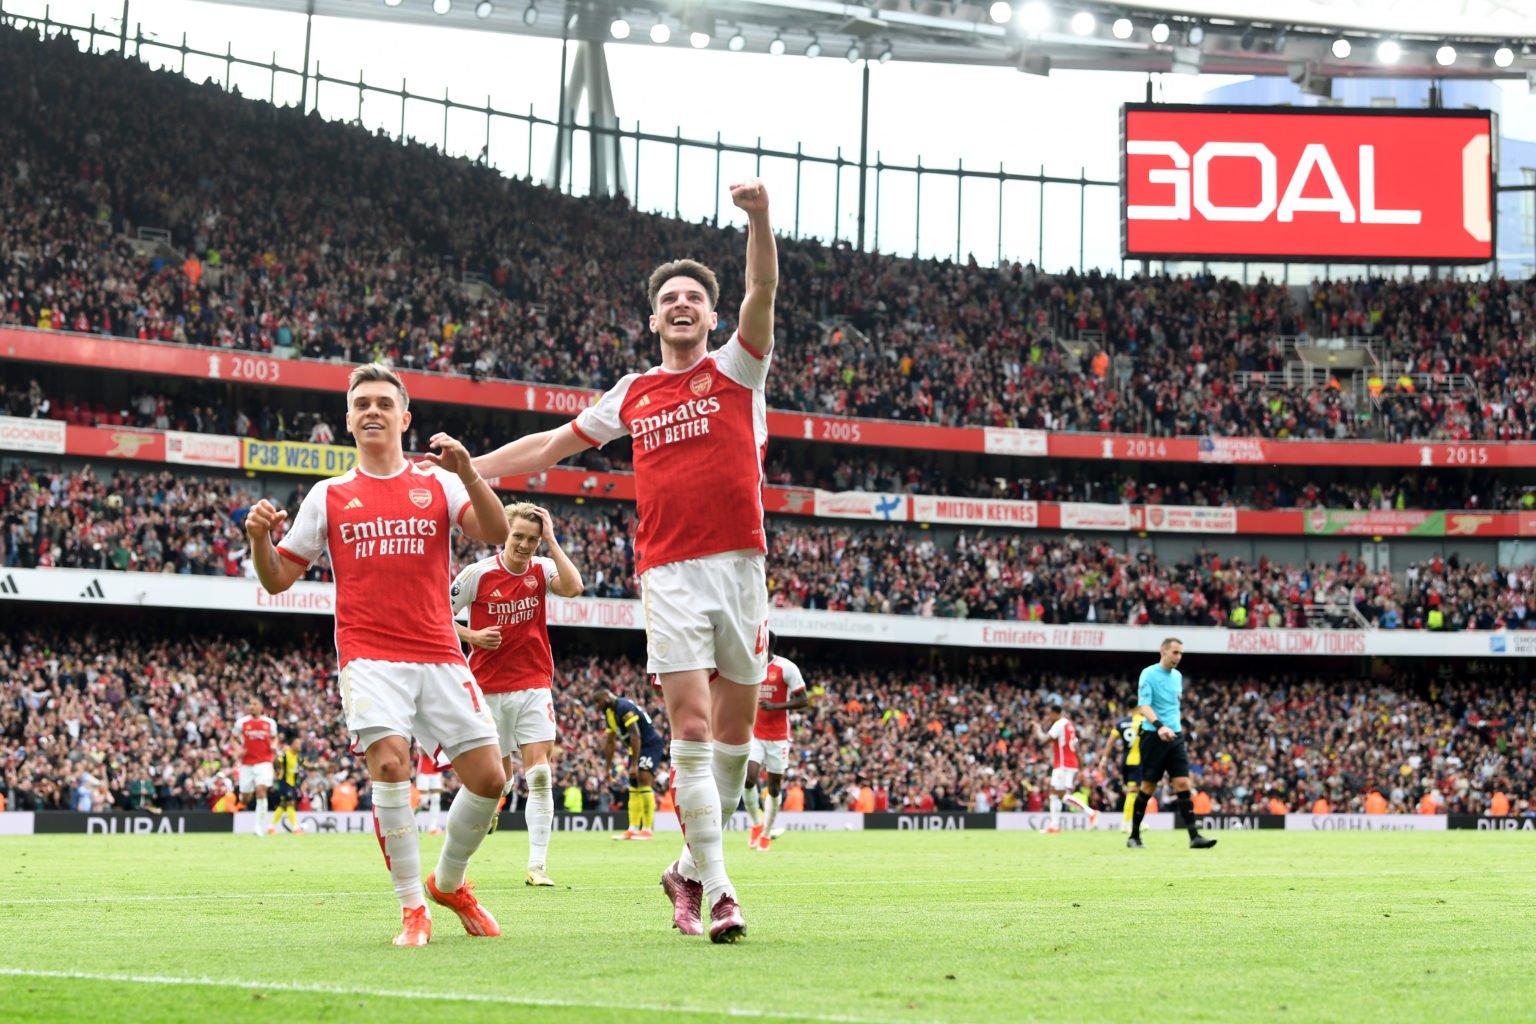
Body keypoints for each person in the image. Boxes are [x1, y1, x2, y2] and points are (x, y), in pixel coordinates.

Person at [466, 178, 777, 944]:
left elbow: (762, 286)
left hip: (741, 569)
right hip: (668, 573)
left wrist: (760, 217)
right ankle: (725, 893)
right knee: (694, 731)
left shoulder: (739, 368)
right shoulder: (632, 392)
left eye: (693, 298)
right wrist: (468, 472)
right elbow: (547, 446)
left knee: (738, 743)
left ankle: (686, 870)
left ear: (709, 315)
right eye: (669, 296)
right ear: (652, 317)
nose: (681, 304)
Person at [246, 363, 512, 946]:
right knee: (390, 766)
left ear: (403, 417)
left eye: (383, 403)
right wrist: (258, 539)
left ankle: (450, 882)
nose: (372, 411)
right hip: (369, 655)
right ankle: (413, 906)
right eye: (361, 402)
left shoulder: (437, 484)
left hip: (441, 653)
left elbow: (494, 532)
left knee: (491, 778)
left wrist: (469, 474)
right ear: (348, 419)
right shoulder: (328, 495)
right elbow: (277, 581)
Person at [450, 501, 584, 887]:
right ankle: (495, 802)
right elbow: (436, 613)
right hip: (487, 690)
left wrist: (554, 541)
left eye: (533, 539)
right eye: (518, 537)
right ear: (503, 534)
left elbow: (574, 588)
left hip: (533, 685)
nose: (525, 545)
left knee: (539, 776)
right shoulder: (477, 575)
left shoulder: (541, 570)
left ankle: (537, 866)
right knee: (494, 779)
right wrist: (472, 636)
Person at [1127, 638, 1217, 850]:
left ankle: (1194, 837)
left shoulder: (1177, 676)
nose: (1178, 657)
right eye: (1175, 652)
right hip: (1153, 736)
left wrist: (1172, 728)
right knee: (1148, 786)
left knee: (1183, 784)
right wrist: (1159, 726)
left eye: (1181, 653)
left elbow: (1172, 707)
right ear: (1163, 651)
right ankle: (1134, 836)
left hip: (1175, 736)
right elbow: (1144, 706)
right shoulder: (1148, 674)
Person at [744, 633, 808, 851]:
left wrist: (776, 706)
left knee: (774, 787)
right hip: (755, 734)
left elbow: (803, 700)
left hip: (779, 737)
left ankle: (765, 834)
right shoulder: (751, 665)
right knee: (749, 778)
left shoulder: (786, 668)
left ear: (766, 644)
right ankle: (756, 825)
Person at [599, 686, 666, 841]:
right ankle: (633, 829)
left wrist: (634, 764)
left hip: (649, 745)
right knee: (633, 783)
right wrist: (607, 768)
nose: (597, 706)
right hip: (635, 748)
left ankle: (647, 830)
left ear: (606, 697)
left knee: (643, 779)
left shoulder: (623, 707)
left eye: (598, 702)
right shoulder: (609, 713)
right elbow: (610, 743)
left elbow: (635, 735)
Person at [1032, 697, 1097, 832]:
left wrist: (1037, 729)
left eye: (1050, 714)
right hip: (1069, 764)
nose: (1049, 717)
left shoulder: (1059, 724)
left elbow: (1044, 741)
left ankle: (1091, 813)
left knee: (1060, 793)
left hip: (1063, 764)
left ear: (1055, 713)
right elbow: (1076, 746)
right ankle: (1054, 826)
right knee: (1054, 793)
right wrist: (1080, 764)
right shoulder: (1069, 724)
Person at [1098, 708, 1147, 833]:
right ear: (1137, 707)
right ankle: (1127, 823)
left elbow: (1110, 742)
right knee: (1134, 792)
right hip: (1137, 760)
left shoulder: (1121, 722)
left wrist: (1104, 759)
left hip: (1125, 761)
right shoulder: (1142, 721)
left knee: (1133, 792)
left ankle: (1134, 821)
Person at [234, 699, 277, 837]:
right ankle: (244, 796)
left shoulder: (269, 723)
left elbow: (274, 738)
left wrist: (274, 745)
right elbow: (233, 738)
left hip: (264, 762)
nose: (251, 706)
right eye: (250, 704)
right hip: (247, 763)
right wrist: (238, 749)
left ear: (261, 707)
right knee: (245, 799)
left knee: (261, 790)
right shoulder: (242, 723)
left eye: (254, 704)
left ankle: (258, 827)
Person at [269, 733, 305, 835]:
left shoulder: (298, 757)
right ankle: (295, 828)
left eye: (300, 744)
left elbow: (305, 765)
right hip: (284, 782)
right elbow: (276, 762)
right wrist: (276, 771)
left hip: (293, 784)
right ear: (291, 745)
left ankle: (271, 827)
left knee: (283, 805)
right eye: (297, 744)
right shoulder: (285, 755)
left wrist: (316, 766)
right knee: (290, 803)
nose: (299, 746)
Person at [415, 749, 446, 835]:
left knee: (436, 799)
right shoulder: (421, 736)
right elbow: (421, 751)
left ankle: (432, 828)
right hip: (423, 771)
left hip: (436, 771)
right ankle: (409, 822)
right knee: (423, 800)